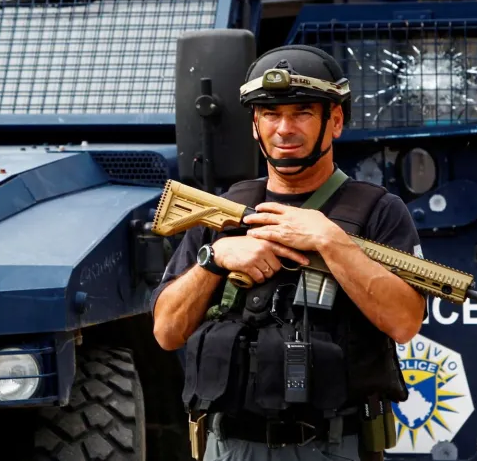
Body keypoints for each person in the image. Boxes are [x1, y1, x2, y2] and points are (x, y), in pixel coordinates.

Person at [150, 44, 428, 461]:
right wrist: (216, 258)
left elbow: (405, 323)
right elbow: (167, 331)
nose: (284, 129)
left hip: (334, 445)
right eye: (270, 114)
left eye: (302, 113)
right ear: (254, 125)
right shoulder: (223, 213)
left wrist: (331, 242)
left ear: (335, 122)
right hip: (229, 446)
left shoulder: (378, 211)